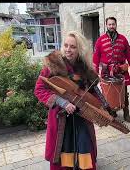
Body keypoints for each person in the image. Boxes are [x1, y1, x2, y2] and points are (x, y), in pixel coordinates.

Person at [35, 31, 99, 170]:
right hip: (61, 118)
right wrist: (62, 102)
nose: (68, 49)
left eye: (73, 47)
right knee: (64, 151)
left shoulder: (85, 69)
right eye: (66, 45)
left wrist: (101, 107)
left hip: (83, 117)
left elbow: (92, 92)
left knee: (84, 148)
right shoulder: (53, 65)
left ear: (79, 49)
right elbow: (40, 89)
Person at [93, 17, 130, 123]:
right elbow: (96, 56)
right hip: (106, 72)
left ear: (116, 25)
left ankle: (126, 114)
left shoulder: (123, 39)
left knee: (124, 92)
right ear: (106, 26)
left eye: (113, 24)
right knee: (106, 94)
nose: (111, 26)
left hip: (120, 71)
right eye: (109, 24)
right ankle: (111, 112)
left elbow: (129, 54)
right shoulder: (100, 40)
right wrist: (94, 70)